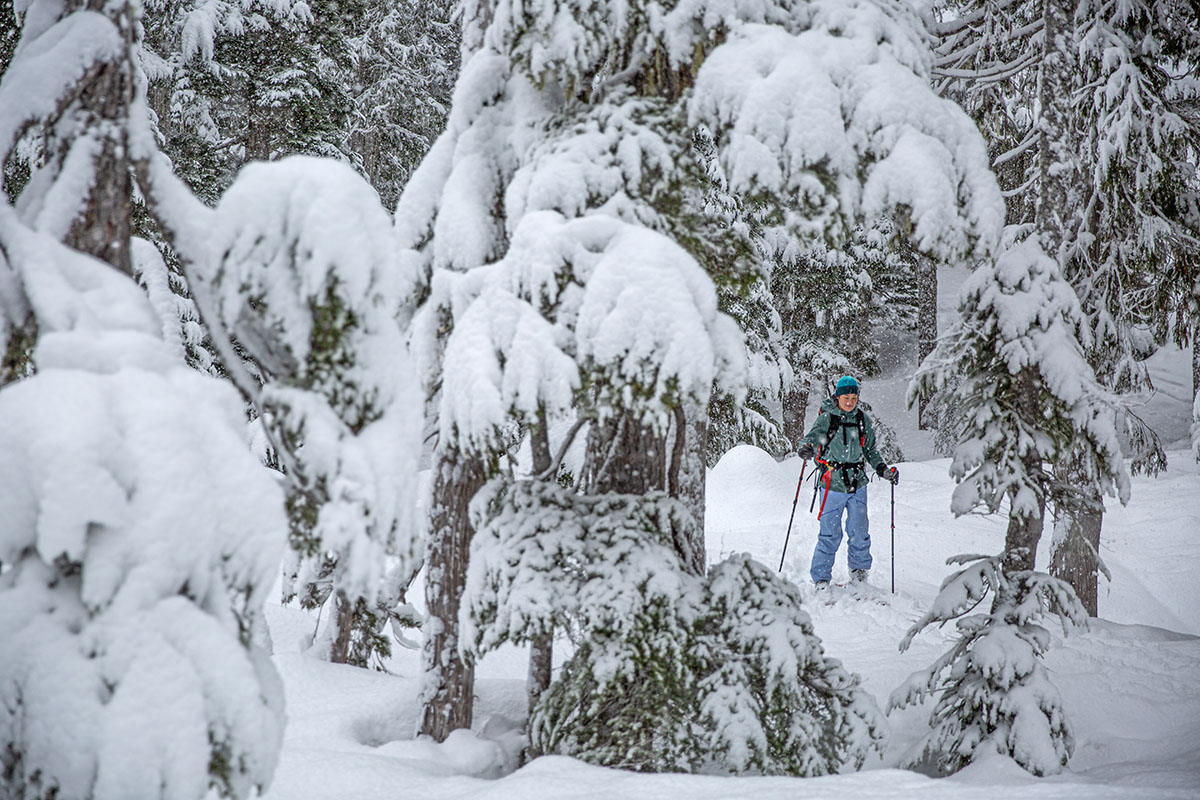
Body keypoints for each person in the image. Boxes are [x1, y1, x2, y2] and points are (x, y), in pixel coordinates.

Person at [796, 375, 899, 588]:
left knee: (859, 530)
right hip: (831, 483)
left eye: (854, 397)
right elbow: (812, 437)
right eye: (846, 397)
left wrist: (883, 470)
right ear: (838, 397)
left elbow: (870, 450)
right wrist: (805, 447)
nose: (850, 402)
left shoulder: (862, 419)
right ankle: (822, 578)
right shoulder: (828, 418)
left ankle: (859, 572)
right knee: (830, 533)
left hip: (857, 483)